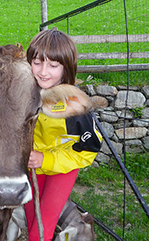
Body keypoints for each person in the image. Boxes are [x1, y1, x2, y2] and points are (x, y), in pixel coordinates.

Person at [24, 29, 103, 241]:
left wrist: (45, 159)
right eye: (37, 62)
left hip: (62, 168)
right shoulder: (22, 97)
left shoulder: (75, 108)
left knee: (40, 230)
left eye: (53, 65)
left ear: (66, 67)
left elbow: (88, 152)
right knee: (31, 220)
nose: (43, 71)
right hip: (32, 167)